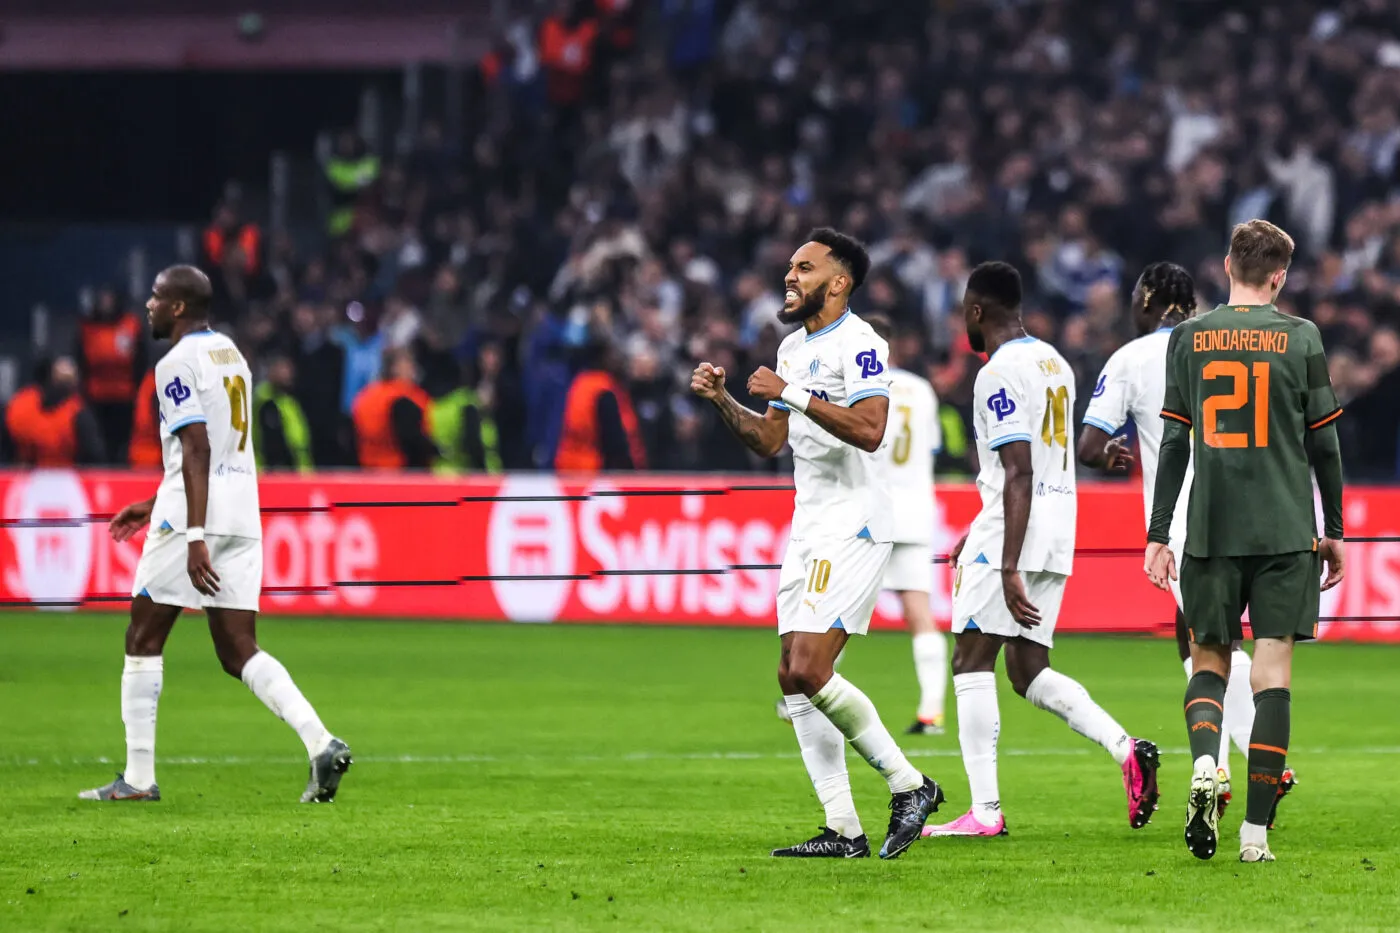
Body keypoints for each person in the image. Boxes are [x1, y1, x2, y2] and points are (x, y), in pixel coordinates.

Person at [691, 228, 944, 860]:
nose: (790, 277)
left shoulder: (862, 343)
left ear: (838, 282)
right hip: (809, 521)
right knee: (791, 677)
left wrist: (793, 394)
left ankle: (910, 785)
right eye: (790, 267)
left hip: (854, 521)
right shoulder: (792, 346)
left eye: (804, 268)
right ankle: (844, 829)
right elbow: (771, 442)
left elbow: (871, 429)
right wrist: (723, 399)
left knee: (809, 669)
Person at [79, 265, 351, 804]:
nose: (149, 304)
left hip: (193, 519)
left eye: (158, 296)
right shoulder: (232, 354)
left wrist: (193, 532)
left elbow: (198, 449)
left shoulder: (174, 364)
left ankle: (137, 779)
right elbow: (222, 450)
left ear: (179, 307)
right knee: (237, 649)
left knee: (142, 637)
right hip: (242, 510)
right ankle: (321, 743)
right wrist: (152, 500)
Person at [924, 262, 1160, 840]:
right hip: (1057, 528)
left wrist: (1004, 563)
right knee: (1028, 670)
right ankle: (1124, 748)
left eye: (965, 311)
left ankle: (984, 812)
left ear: (977, 311)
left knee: (970, 661)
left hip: (1018, 530)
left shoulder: (997, 372)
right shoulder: (1054, 361)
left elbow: (1018, 469)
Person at [1145, 220, 1345, 863]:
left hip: (1210, 527)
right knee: (1271, 673)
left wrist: (1157, 533)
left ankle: (1207, 764)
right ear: (1279, 276)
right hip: (1286, 530)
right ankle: (1255, 834)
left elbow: (1175, 442)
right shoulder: (1302, 337)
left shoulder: (1188, 338)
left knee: (1209, 662)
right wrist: (1334, 531)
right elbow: (1325, 444)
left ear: (1227, 264)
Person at [1078, 262, 1281, 824]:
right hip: (1253, 505)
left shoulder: (1134, 357)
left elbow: (1090, 443)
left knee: (1215, 649)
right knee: (1191, 636)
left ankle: (1243, 762)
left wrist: (1113, 455)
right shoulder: (1228, 342)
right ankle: (1235, 757)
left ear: (1146, 301)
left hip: (1187, 523)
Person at [868, 313, 949, 735]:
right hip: (917, 511)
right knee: (920, 611)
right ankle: (931, 712)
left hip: (869, 511)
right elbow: (931, 447)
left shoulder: (857, 387)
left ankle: (806, 698)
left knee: (839, 611)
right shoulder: (921, 390)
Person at [76, 286, 146, 464]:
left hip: (125, 396)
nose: (106, 303)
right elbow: (80, 361)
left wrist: (137, 390)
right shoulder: (87, 327)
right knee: (98, 442)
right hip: (95, 397)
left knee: (121, 442)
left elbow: (141, 359)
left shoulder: (131, 324)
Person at [6, 356, 106, 467]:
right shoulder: (20, 405)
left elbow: (95, 458)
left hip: (67, 477)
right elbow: (7, 448)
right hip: (26, 476)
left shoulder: (78, 413)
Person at [351, 348, 439, 470]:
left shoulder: (366, 395)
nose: (413, 368)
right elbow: (411, 441)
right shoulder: (402, 399)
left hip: (368, 467)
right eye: (409, 363)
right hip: (399, 469)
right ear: (395, 368)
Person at [253, 353, 314, 472]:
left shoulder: (288, 400)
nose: (288, 373)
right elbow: (263, 442)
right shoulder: (263, 402)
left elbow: (299, 439)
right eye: (283, 368)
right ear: (272, 371)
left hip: (297, 470)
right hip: (271, 472)